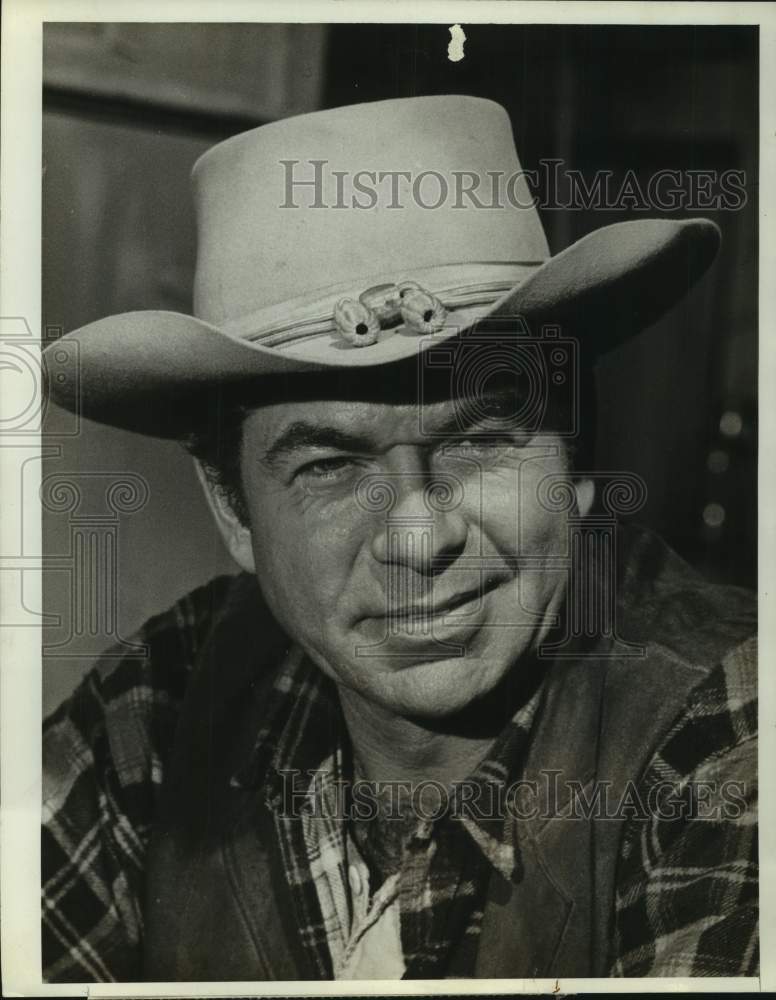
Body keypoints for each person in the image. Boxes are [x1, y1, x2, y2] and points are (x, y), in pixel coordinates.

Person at [41, 95, 757, 982]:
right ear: (233, 509)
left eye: (481, 442)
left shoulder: (733, 727)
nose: (421, 538)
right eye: (333, 467)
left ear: (576, 455)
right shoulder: (163, 700)